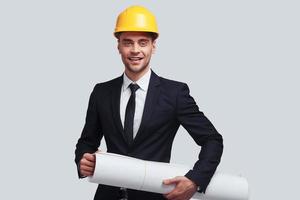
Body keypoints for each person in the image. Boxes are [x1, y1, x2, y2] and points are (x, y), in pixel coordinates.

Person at [75, 5, 223, 200]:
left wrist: (195, 179)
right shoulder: (101, 92)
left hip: (153, 196)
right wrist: (82, 159)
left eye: (142, 43)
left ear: (153, 46)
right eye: (128, 43)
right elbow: (87, 141)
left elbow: (212, 139)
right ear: (118, 45)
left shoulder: (175, 94)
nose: (135, 50)